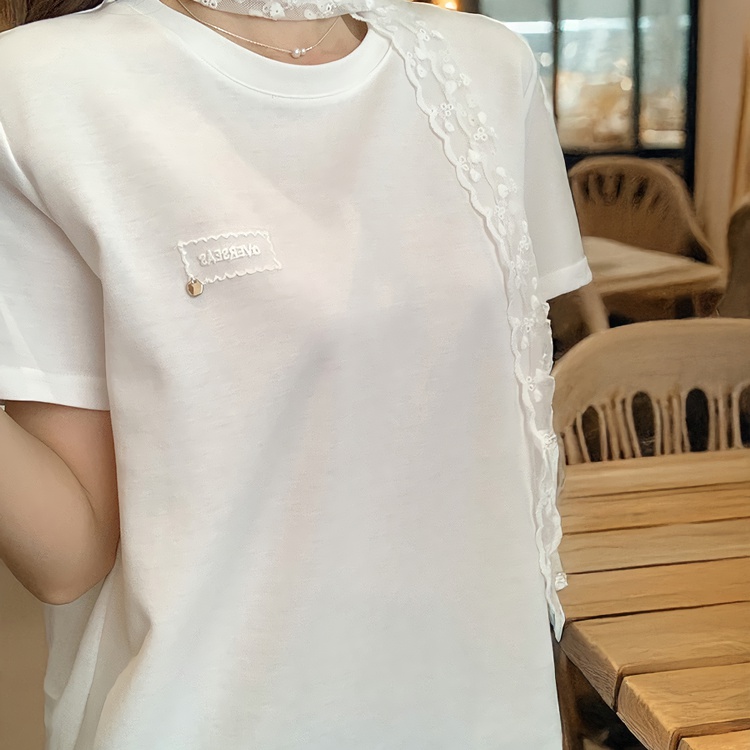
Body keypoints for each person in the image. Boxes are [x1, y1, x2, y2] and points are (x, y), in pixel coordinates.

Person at [0, 0, 592, 746]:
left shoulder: (490, 66)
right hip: (208, 718)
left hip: (483, 707)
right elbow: (71, 554)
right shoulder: (39, 88)